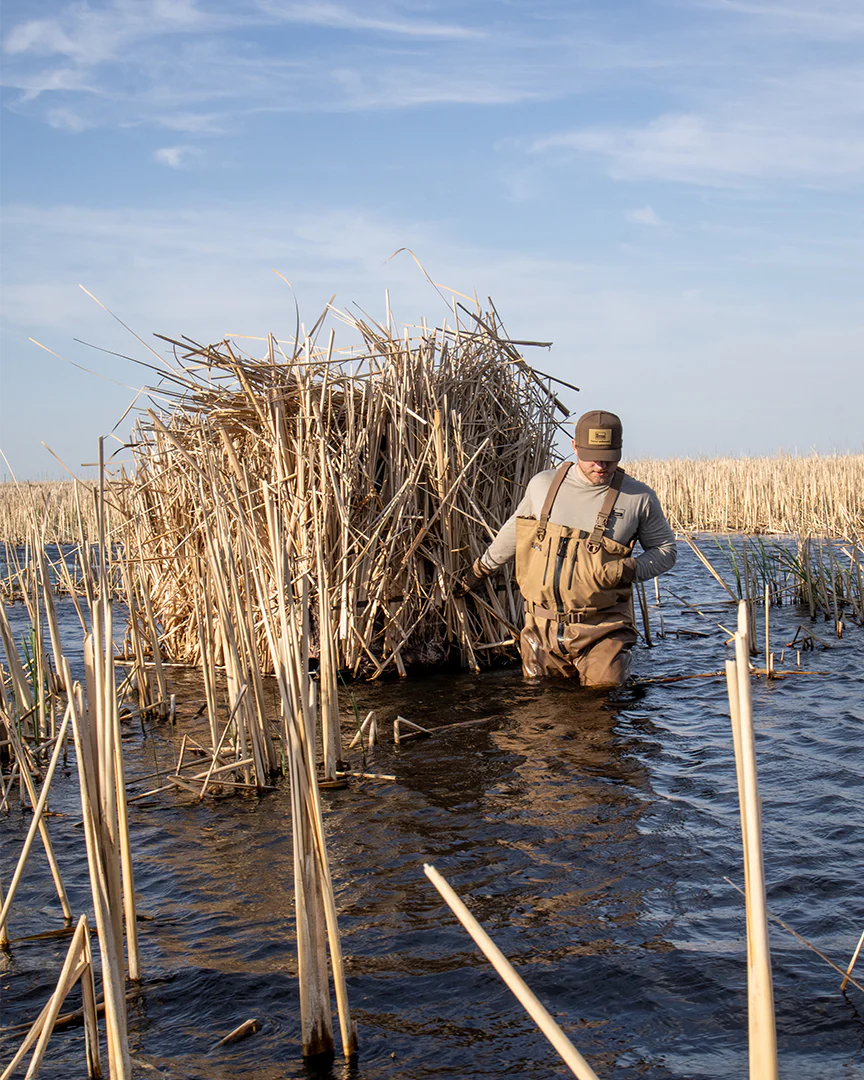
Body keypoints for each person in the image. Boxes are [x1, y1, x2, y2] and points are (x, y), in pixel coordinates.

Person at [457, 410, 676, 687]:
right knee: (539, 716)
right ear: (574, 447)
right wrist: (481, 570)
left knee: (601, 706)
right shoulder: (543, 485)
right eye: (592, 457)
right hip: (540, 629)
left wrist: (629, 568)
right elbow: (514, 532)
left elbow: (666, 550)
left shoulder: (639, 497)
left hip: (603, 629)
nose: (601, 466)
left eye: (609, 458)